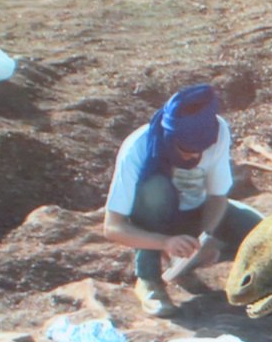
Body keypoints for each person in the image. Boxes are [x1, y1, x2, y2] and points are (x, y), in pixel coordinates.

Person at [103, 84, 263, 317]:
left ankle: (183, 268)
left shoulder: (219, 132)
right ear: (170, 134)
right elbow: (112, 227)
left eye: (202, 148)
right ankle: (148, 278)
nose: (195, 156)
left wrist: (207, 236)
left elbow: (217, 196)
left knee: (261, 232)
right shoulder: (138, 147)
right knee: (155, 190)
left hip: (195, 214)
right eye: (186, 149)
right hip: (155, 222)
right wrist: (165, 243)